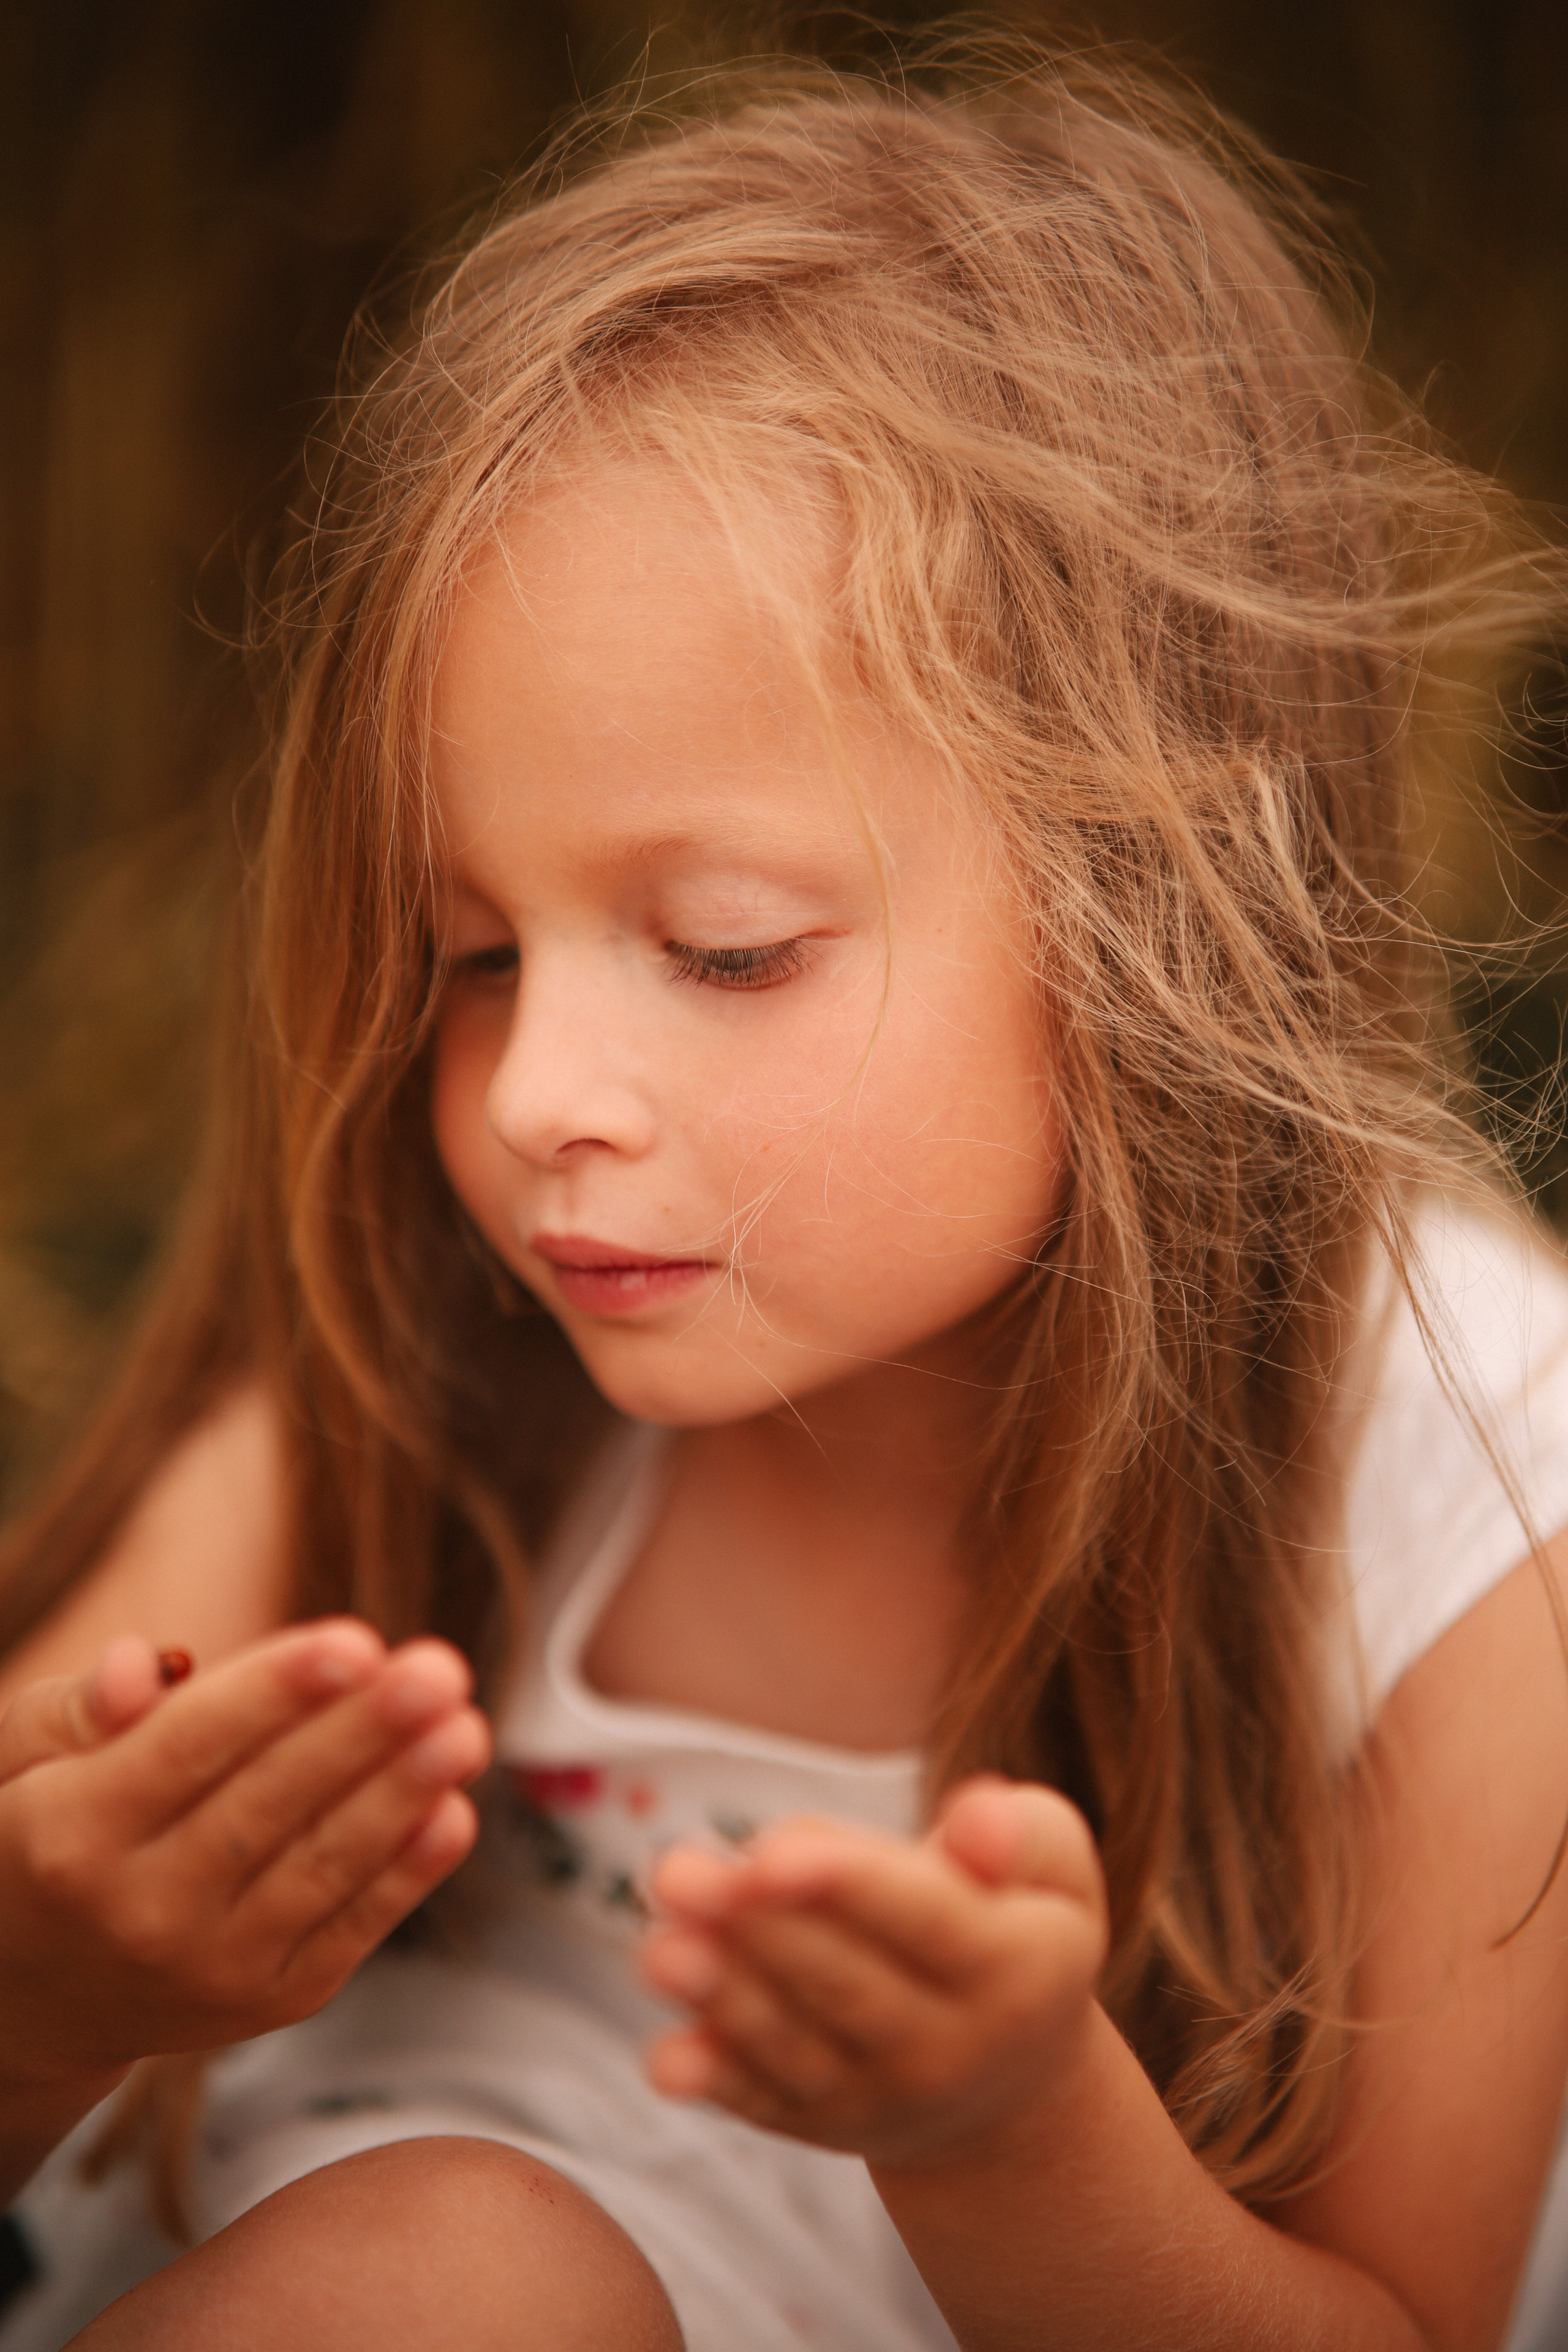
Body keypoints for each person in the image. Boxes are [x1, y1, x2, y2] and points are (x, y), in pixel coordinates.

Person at [1, 40, 1566, 2352]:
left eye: (727, 947)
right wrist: (48, 1993)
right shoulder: (430, 1378)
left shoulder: (1465, 1491)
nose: (537, 1094)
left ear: (1165, 897)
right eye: (471, 958)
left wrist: (1013, 2135)